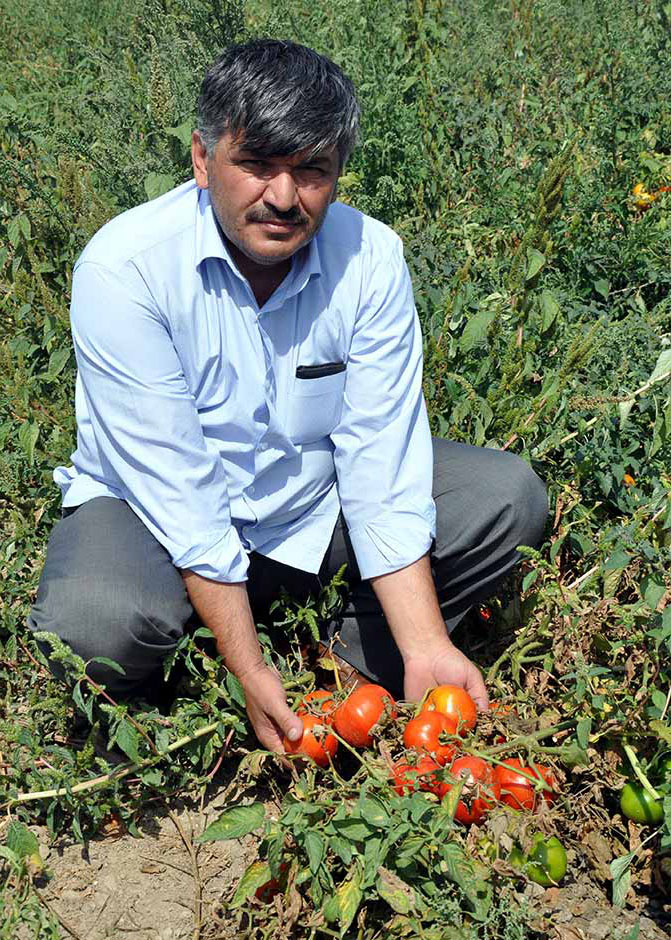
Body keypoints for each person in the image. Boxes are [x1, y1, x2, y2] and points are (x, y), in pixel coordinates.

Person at [28, 39, 547, 753]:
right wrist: (244, 664)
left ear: (337, 173)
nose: (282, 196)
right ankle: (204, 677)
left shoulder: (369, 259)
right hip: (151, 512)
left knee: (503, 496)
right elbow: (177, 487)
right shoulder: (126, 269)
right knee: (96, 619)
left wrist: (425, 643)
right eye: (256, 164)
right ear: (202, 161)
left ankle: (345, 667)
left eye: (310, 170)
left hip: (308, 503)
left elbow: (380, 459)